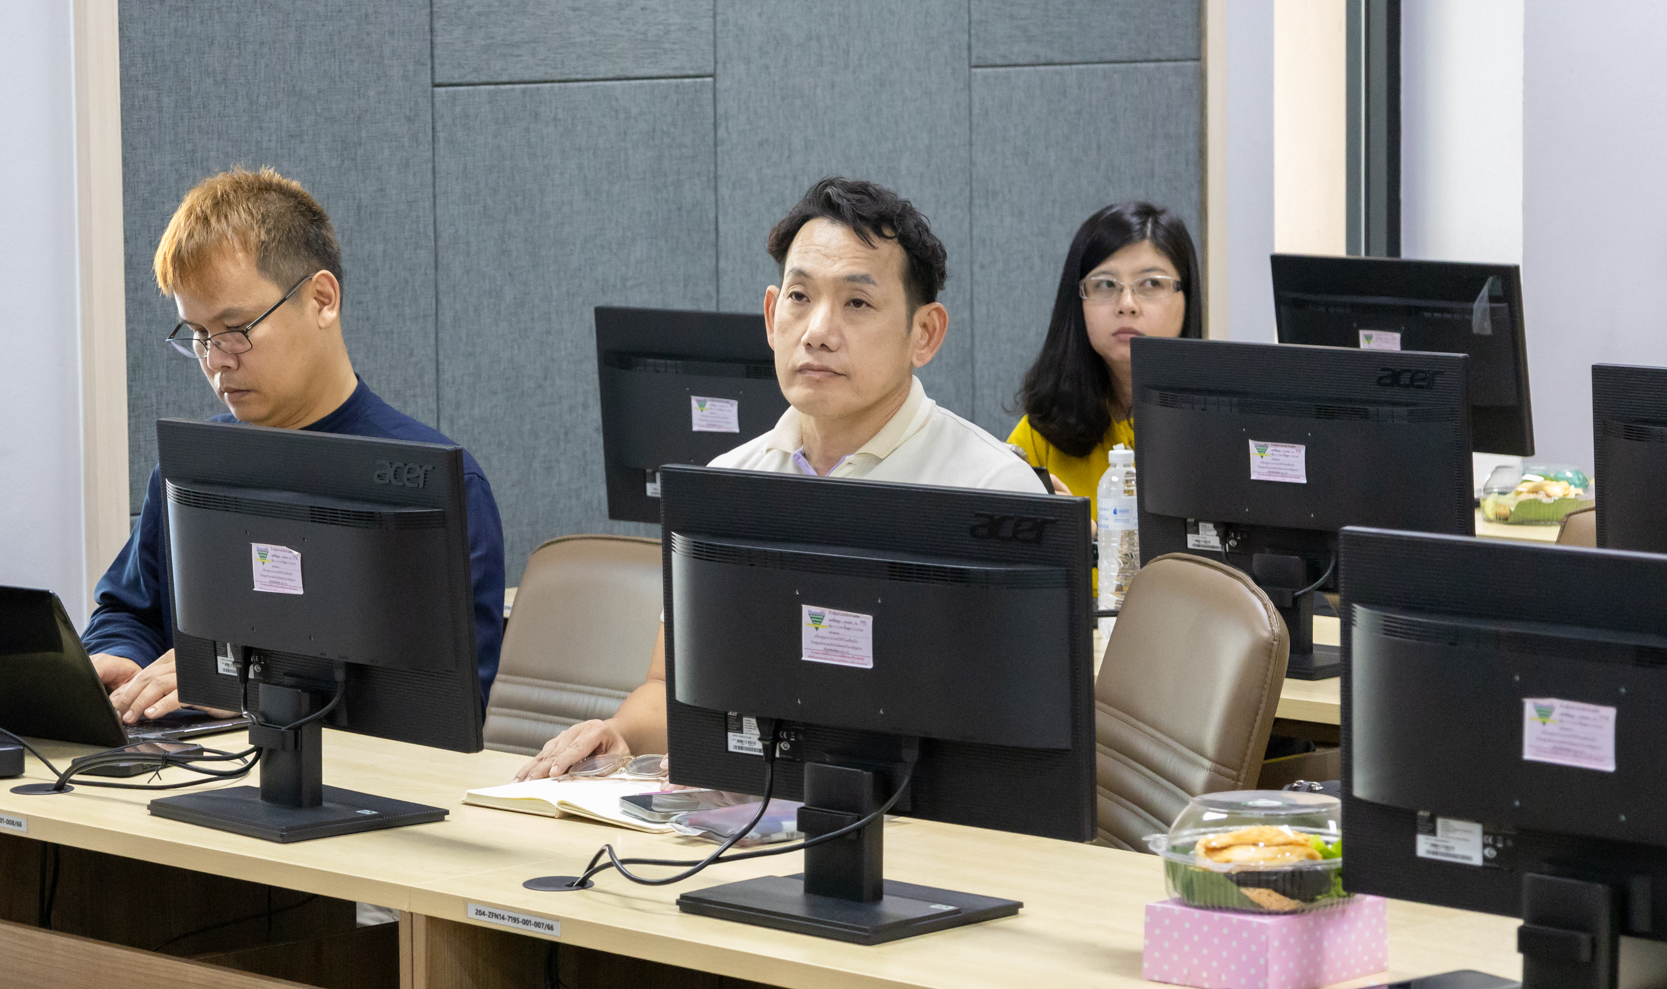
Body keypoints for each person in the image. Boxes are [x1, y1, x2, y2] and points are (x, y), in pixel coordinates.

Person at [514, 176, 1047, 780]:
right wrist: (621, 734)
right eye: (800, 297)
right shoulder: (727, 484)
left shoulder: (994, 492)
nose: (818, 330)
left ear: (923, 334)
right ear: (772, 317)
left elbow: (1024, 734)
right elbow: (670, 687)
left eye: (857, 303)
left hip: (926, 822)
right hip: (758, 814)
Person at [83, 168, 506, 722]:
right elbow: (129, 611)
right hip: (187, 759)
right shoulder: (191, 468)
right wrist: (118, 656)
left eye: (236, 328)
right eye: (199, 335)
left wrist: (242, 684)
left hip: (345, 771)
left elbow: (437, 707)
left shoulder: (437, 487)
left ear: (322, 299)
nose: (216, 360)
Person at [1006, 201, 1203, 521]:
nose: (1127, 304)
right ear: (1078, 301)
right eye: (1106, 284)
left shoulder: (1219, 430)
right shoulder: (1043, 430)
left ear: (1188, 297)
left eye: (1151, 283)